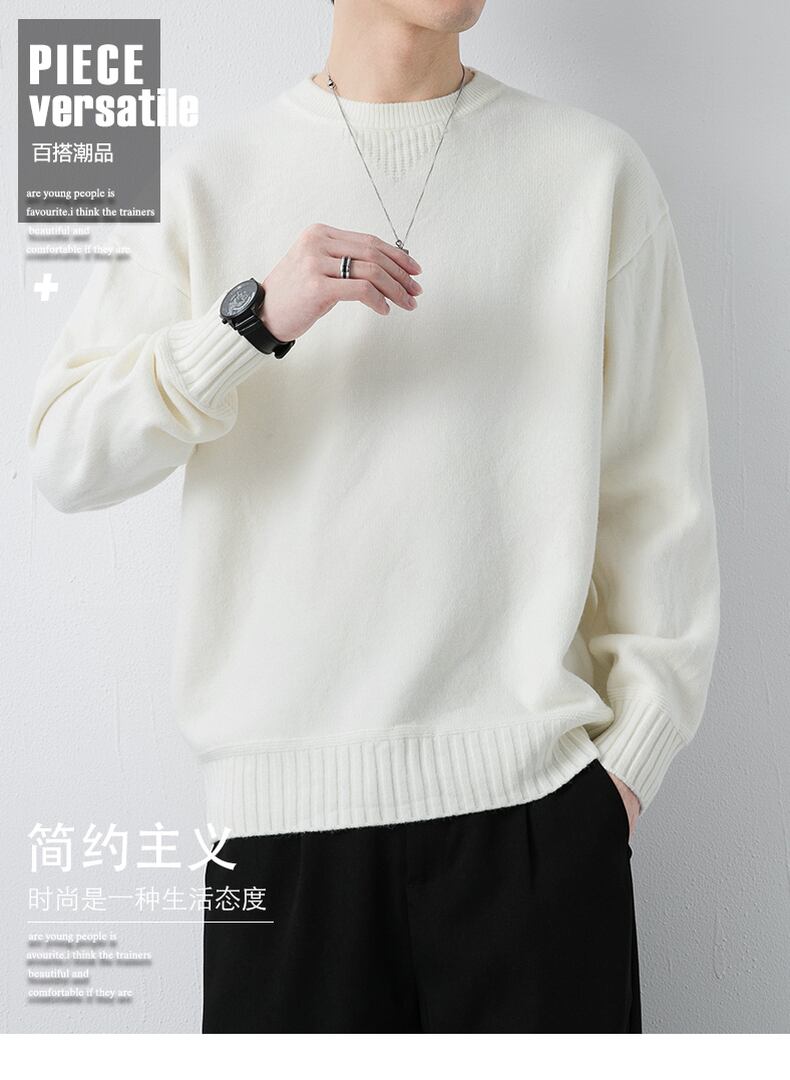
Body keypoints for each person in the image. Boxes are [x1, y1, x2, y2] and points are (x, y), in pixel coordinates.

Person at [26, 0, 720, 1033]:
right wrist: (253, 321)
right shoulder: (208, 184)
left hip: (534, 823)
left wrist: (620, 778)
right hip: (280, 838)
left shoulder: (592, 175)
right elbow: (63, 454)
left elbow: (657, 502)